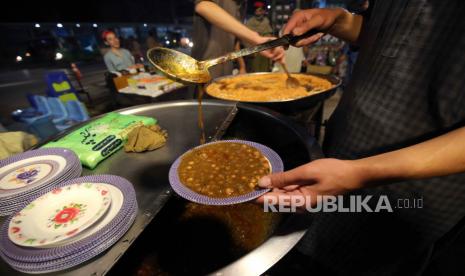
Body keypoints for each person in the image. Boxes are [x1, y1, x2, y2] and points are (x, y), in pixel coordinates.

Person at [257, 1, 465, 274]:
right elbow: (394, 34)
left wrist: (360, 173)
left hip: (413, 196)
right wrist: (336, 20)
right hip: (343, 150)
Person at [192, 0, 284, 79]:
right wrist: (257, 39)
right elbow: (203, 6)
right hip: (205, 67)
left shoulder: (240, 4)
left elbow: (235, 42)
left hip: (227, 69)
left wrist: (242, 67)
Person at [245, 1, 274, 72]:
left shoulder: (266, 22)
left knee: (265, 72)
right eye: (257, 10)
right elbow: (246, 39)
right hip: (254, 54)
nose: (259, 12)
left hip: (265, 53)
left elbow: (270, 36)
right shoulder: (250, 23)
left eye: (260, 10)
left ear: (263, 11)